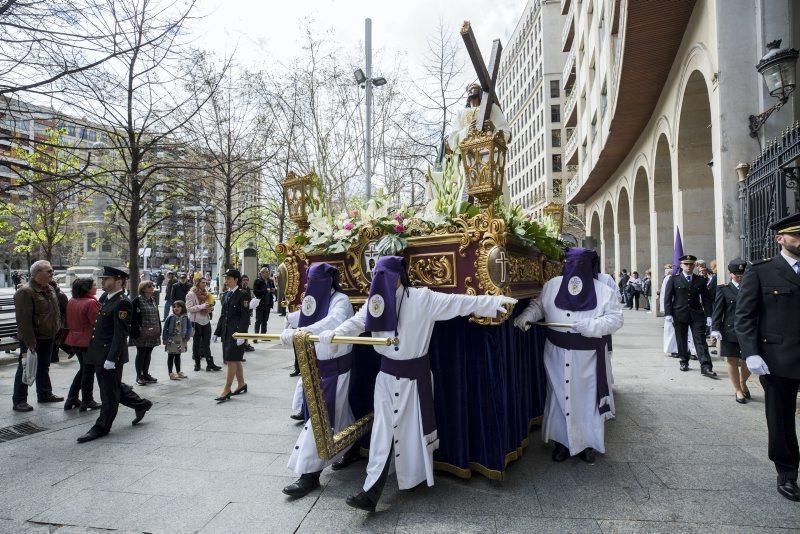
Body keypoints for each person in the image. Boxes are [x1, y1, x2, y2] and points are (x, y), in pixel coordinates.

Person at [319, 256, 516, 512]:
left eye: (386, 276)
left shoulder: (422, 298)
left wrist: (493, 302)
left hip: (415, 378)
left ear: (399, 276)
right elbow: (358, 321)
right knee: (382, 431)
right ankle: (371, 490)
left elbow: (459, 302)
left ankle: (410, 478)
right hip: (386, 379)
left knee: (410, 430)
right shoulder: (376, 301)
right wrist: (335, 333)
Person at [514, 248, 623, 465]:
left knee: (586, 401)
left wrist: (589, 326)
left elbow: (615, 319)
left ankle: (587, 444)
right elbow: (539, 305)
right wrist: (527, 316)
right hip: (556, 352)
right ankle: (561, 443)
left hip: (588, 357)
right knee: (558, 396)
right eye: (571, 263)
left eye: (581, 264)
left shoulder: (603, 290)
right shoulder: (553, 285)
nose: (575, 269)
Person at [279, 263, 361, 498]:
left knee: (322, 418)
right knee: (338, 413)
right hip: (315, 366)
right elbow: (304, 317)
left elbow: (331, 323)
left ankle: (309, 474)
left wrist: (298, 333)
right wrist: (290, 320)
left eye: (315, 281)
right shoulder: (312, 298)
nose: (310, 285)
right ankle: (353, 444)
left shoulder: (341, 300)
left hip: (335, 367)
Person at [734, 212, 800, 502]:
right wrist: (750, 353)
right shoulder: (762, 271)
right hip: (778, 357)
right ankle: (787, 472)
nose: (799, 240)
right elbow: (745, 316)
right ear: (780, 239)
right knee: (782, 419)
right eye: (794, 235)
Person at [77, 266, 152, 443]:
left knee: (108, 392)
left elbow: (120, 334)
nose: (102, 281)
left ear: (119, 281)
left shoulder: (122, 303)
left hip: (110, 354)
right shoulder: (106, 297)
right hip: (99, 351)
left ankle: (102, 426)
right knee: (113, 385)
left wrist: (111, 358)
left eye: (107, 279)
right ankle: (141, 404)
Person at [12, 260, 63, 412]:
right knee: (26, 368)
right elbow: (23, 320)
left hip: (48, 336)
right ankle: (19, 400)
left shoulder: (50, 288)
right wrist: (30, 342)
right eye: (48, 271)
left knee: (43, 367)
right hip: (33, 338)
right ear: (37, 273)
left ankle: (45, 394)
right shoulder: (25, 292)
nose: (52, 274)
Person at [663, 255, 715, 377]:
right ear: (681, 265)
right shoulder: (674, 279)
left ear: (694, 266)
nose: (689, 266)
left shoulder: (700, 280)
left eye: (691, 264)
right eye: (686, 264)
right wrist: (668, 314)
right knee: (681, 338)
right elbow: (668, 298)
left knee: (700, 340)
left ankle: (706, 366)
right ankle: (684, 361)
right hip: (679, 313)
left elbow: (706, 299)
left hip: (696, 314)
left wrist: (708, 315)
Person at [212, 269, 258, 402]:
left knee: (231, 360)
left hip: (236, 333)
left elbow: (244, 317)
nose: (226, 281)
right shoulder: (226, 295)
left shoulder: (242, 295)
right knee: (235, 359)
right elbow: (223, 315)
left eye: (229, 279)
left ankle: (227, 389)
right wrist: (217, 332)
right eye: (225, 278)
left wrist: (242, 335)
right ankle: (241, 384)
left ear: (236, 280)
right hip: (227, 332)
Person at [710, 259, 750, 404]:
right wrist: (715, 328)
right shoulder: (724, 289)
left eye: (742, 274)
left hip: (749, 330)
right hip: (730, 330)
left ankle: (743, 381)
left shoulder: (751, 287)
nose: (739, 277)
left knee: (748, 361)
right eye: (736, 274)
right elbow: (718, 310)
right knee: (732, 360)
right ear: (730, 273)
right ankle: (738, 390)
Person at [63, 277, 102, 412]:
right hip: (87, 340)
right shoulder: (91, 303)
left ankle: (72, 398)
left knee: (84, 369)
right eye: (94, 285)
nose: (96, 287)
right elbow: (97, 323)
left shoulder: (72, 301)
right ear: (87, 288)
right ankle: (87, 400)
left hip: (74, 339)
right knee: (88, 371)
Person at [186, 277, 221, 371]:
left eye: (206, 283)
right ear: (197, 283)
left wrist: (210, 308)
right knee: (196, 343)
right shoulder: (191, 294)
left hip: (206, 320)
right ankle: (197, 364)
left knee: (206, 343)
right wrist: (202, 306)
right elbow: (189, 308)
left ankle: (210, 363)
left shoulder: (207, 293)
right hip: (196, 321)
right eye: (202, 283)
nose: (205, 284)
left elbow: (209, 304)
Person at [131, 280, 161, 386]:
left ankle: (146, 374)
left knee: (148, 353)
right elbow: (133, 317)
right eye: (149, 286)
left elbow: (157, 315)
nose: (152, 288)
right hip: (142, 332)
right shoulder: (137, 300)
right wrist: (137, 331)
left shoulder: (153, 299)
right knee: (141, 353)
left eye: (152, 286)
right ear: (143, 289)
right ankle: (139, 376)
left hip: (153, 331)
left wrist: (159, 328)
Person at [163, 300, 191, 380]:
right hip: (171, 339)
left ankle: (179, 372)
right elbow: (165, 328)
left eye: (178, 306)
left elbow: (189, 328)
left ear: (182, 308)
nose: (176, 308)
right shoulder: (170, 317)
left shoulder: (185, 317)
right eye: (174, 307)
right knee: (171, 356)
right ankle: (171, 373)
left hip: (181, 339)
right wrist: (164, 339)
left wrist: (187, 337)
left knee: (178, 355)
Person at [252, 267, 276, 342]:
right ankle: (255, 336)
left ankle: (263, 335)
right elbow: (255, 291)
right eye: (266, 272)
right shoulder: (258, 281)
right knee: (258, 320)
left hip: (268, 303)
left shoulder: (270, 281)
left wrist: (273, 290)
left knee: (265, 320)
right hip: (260, 303)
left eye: (268, 272)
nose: (268, 273)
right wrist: (265, 290)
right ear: (262, 273)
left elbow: (272, 289)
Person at [240, 275, 255, 352]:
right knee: (242, 329)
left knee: (246, 329)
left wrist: (251, 311)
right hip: (241, 314)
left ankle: (245, 344)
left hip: (247, 312)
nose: (245, 281)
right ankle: (242, 345)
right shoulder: (239, 290)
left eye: (247, 280)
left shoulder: (248, 289)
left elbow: (249, 300)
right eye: (244, 280)